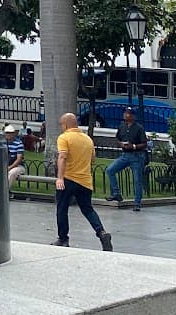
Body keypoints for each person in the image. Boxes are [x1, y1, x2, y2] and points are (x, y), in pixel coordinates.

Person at [53, 112, 113, 251]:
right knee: (87, 209)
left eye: (62, 125)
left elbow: (62, 157)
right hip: (85, 181)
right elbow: (92, 160)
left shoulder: (64, 137)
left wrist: (60, 178)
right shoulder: (87, 139)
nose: (62, 128)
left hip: (68, 179)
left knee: (62, 209)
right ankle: (101, 233)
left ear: (66, 124)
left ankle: (63, 238)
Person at [108, 107, 149, 211]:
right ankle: (116, 193)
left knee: (137, 180)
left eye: (129, 114)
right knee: (110, 170)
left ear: (133, 116)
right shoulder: (122, 126)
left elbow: (144, 143)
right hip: (125, 155)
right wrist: (121, 144)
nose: (126, 115)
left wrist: (134, 146)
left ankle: (137, 203)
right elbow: (117, 138)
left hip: (136, 156)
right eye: (125, 113)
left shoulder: (139, 128)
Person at [4, 123, 26, 195]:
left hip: (18, 166)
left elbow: (19, 159)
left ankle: (5, 192)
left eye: (10, 133)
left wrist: (9, 167)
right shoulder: (3, 143)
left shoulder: (19, 143)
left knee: (12, 173)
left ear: (14, 134)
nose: (8, 135)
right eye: (7, 133)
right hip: (6, 165)